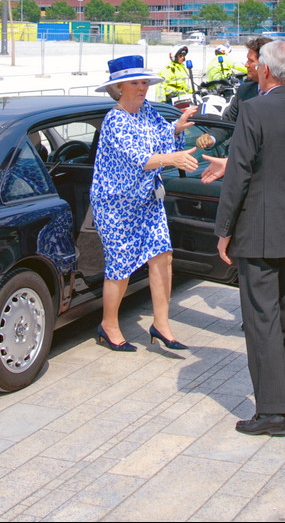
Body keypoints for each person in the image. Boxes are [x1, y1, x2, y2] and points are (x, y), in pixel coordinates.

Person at [209, 40, 285, 436]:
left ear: (267, 71)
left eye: (258, 67)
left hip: (260, 229)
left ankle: (272, 412)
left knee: (262, 320)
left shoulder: (256, 110)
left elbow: (239, 174)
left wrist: (223, 230)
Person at [90, 55, 198, 352]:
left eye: (144, 82)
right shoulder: (114, 119)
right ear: (119, 87)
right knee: (120, 266)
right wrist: (171, 158)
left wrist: (177, 126)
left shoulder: (147, 110)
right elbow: (140, 158)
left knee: (163, 255)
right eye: (135, 83)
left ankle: (161, 325)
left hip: (147, 199)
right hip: (115, 204)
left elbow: (161, 139)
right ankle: (108, 325)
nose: (142, 88)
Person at [222, 37, 271, 124]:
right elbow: (227, 124)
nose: (246, 65)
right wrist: (211, 137)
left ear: (265, 64)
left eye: (250, 61)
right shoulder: (243, 91)